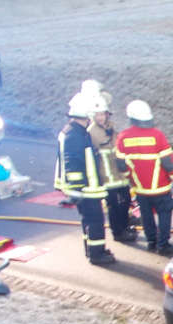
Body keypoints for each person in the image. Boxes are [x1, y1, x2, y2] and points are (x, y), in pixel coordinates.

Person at [116, 100, 173, 257]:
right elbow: (168, 163)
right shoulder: (156, 135)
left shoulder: (123, 137)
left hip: (140, 188)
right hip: (161, 187)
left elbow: (120, 165)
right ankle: (163, 244)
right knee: (165, 214)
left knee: (146, 215)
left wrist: (131, 179)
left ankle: (151, 241)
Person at [54, 93, 114, 265]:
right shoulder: (76, 135)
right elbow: (73, 161)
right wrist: (78, 187)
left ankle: (91, 250)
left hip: (84, 188)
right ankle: (97, 254)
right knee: (95, 220)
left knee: (88, 220)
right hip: (87, 189)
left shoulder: (73, 131)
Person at [87, 94, 137, 243]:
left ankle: (126, 227)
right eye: (98, 115)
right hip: (107, 176)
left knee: (126, 201)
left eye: (103, 114)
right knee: (114, 206)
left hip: (120, 175)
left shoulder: (111, 128)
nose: (101, 117)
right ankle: (118, 232)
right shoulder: (91, 133)